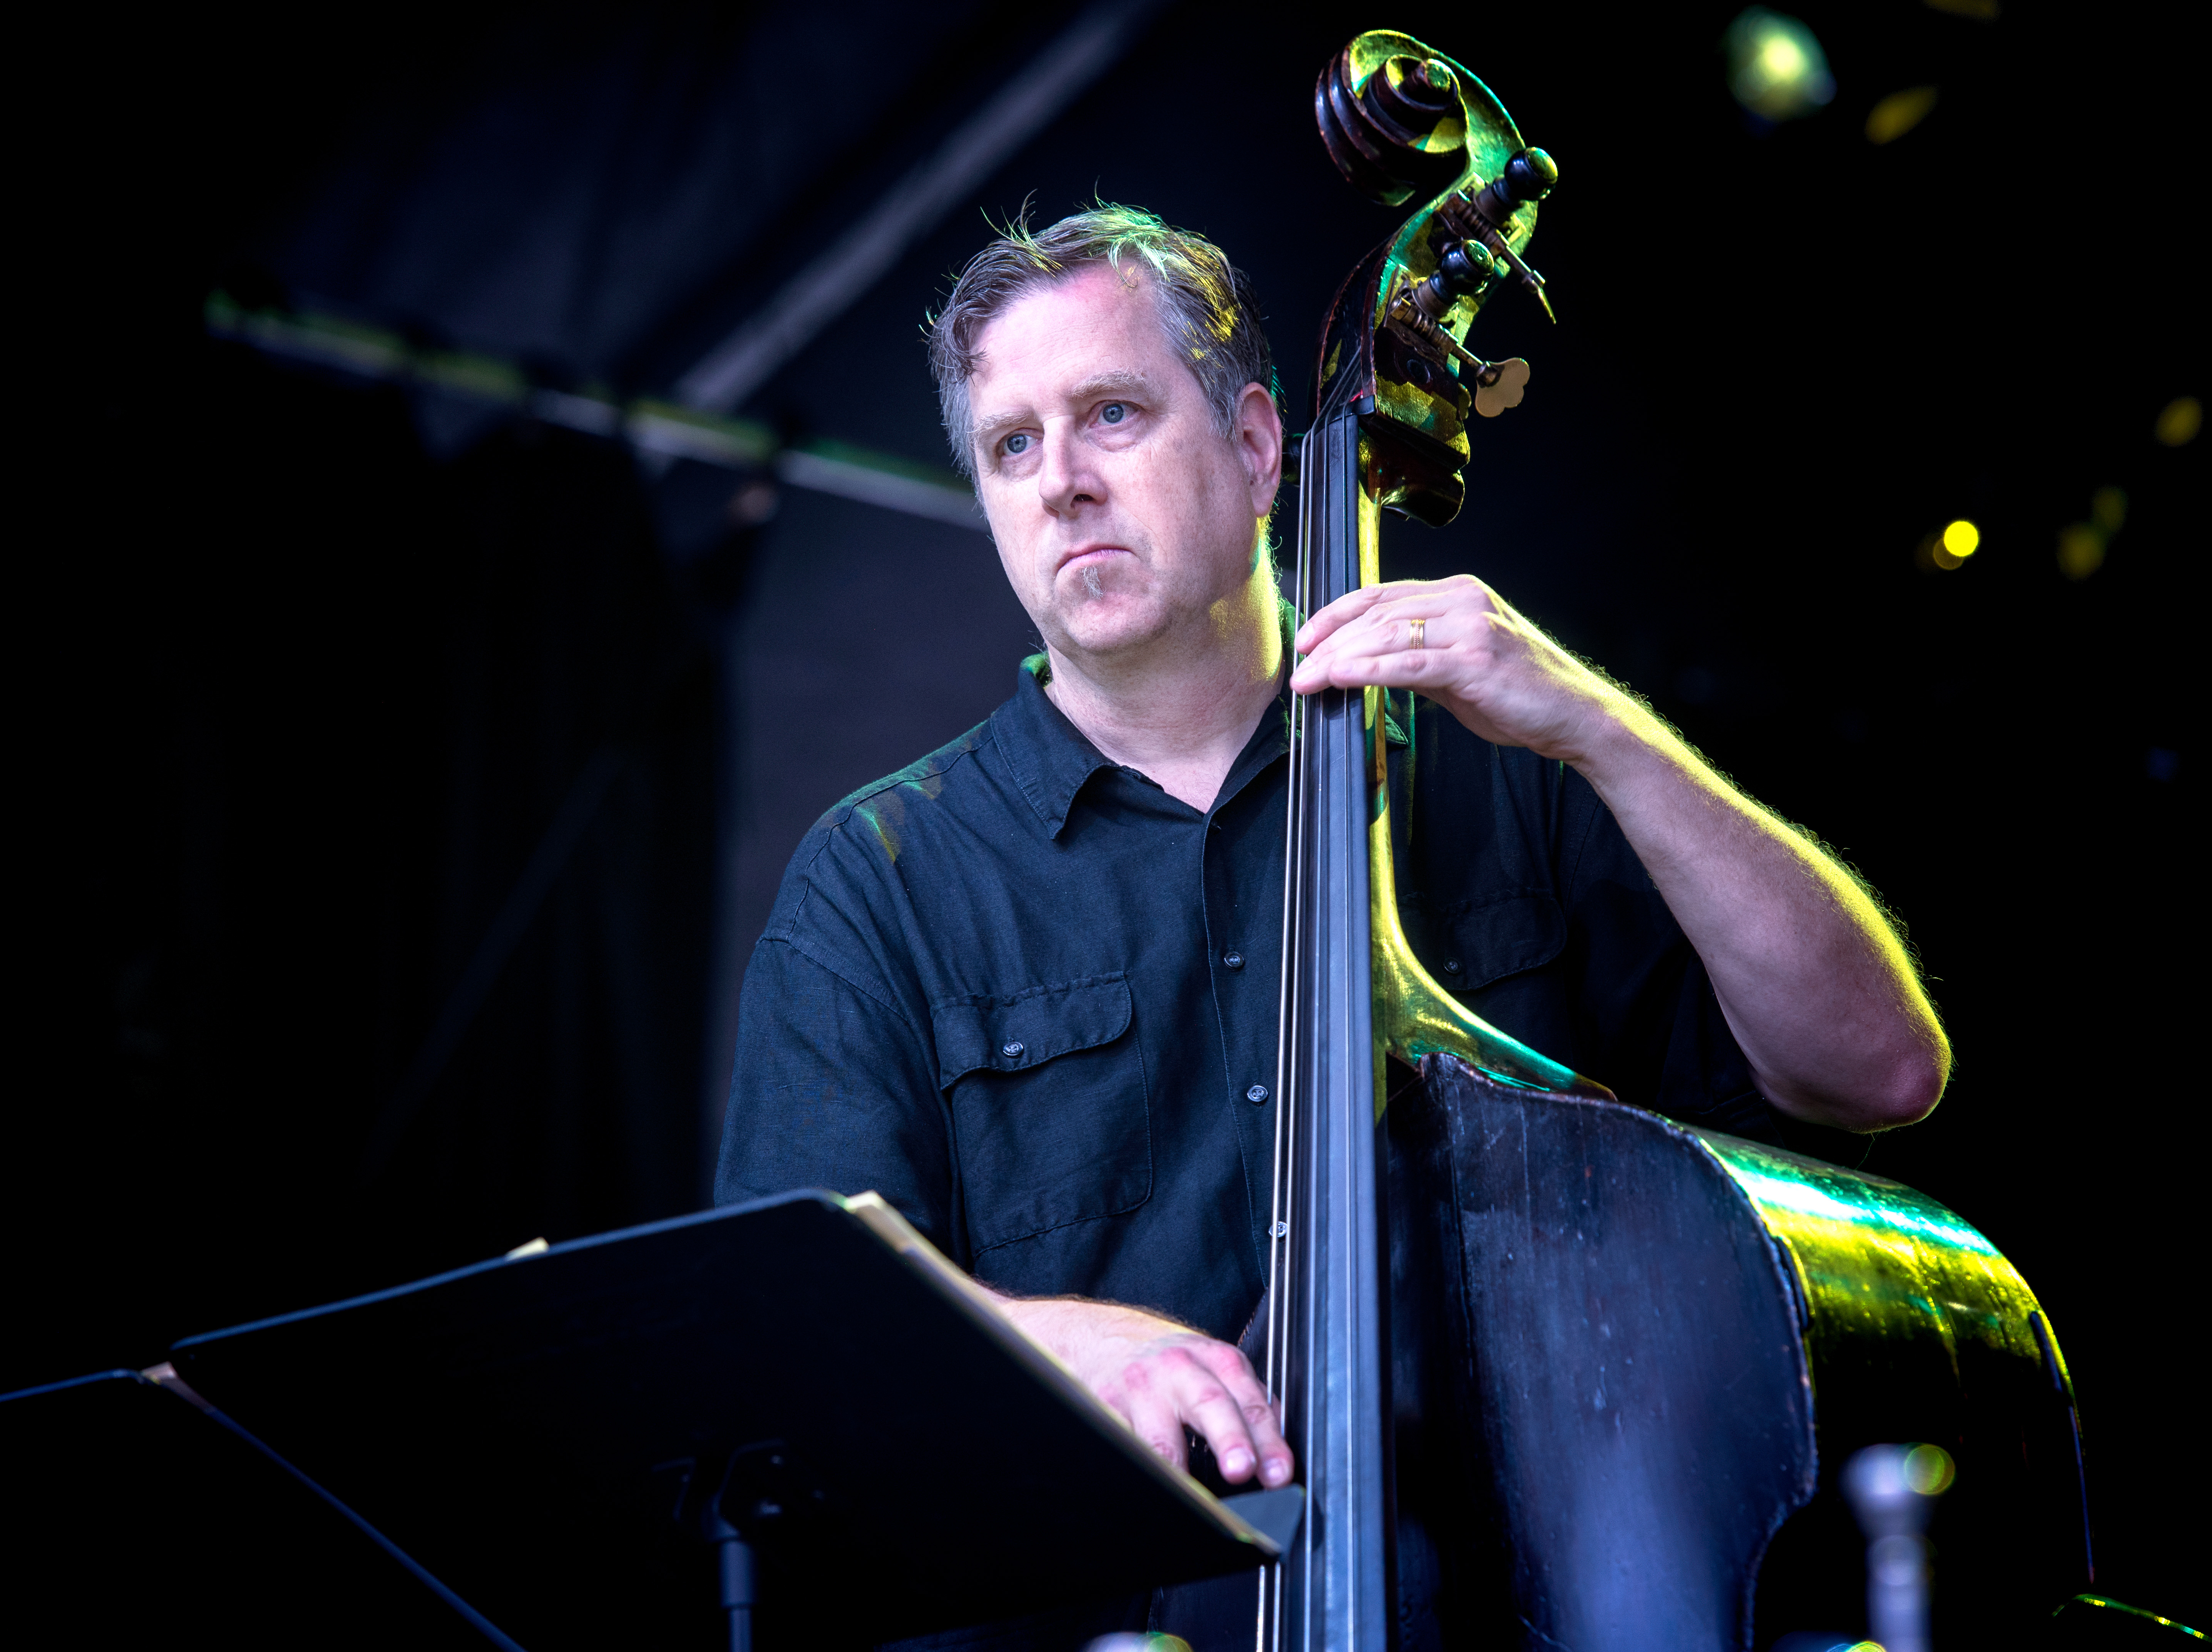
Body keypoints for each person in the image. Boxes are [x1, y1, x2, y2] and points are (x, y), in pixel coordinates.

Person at [713, 206, 1947, 1641]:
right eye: (1013, 445)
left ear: (1253, 448)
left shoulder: (1508, 764)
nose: (1061, 484)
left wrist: (1604, 734)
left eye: (1111, 413)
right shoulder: (879, 881)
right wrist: (1046, 1342)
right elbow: (780, 1341)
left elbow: (1877, 1072)